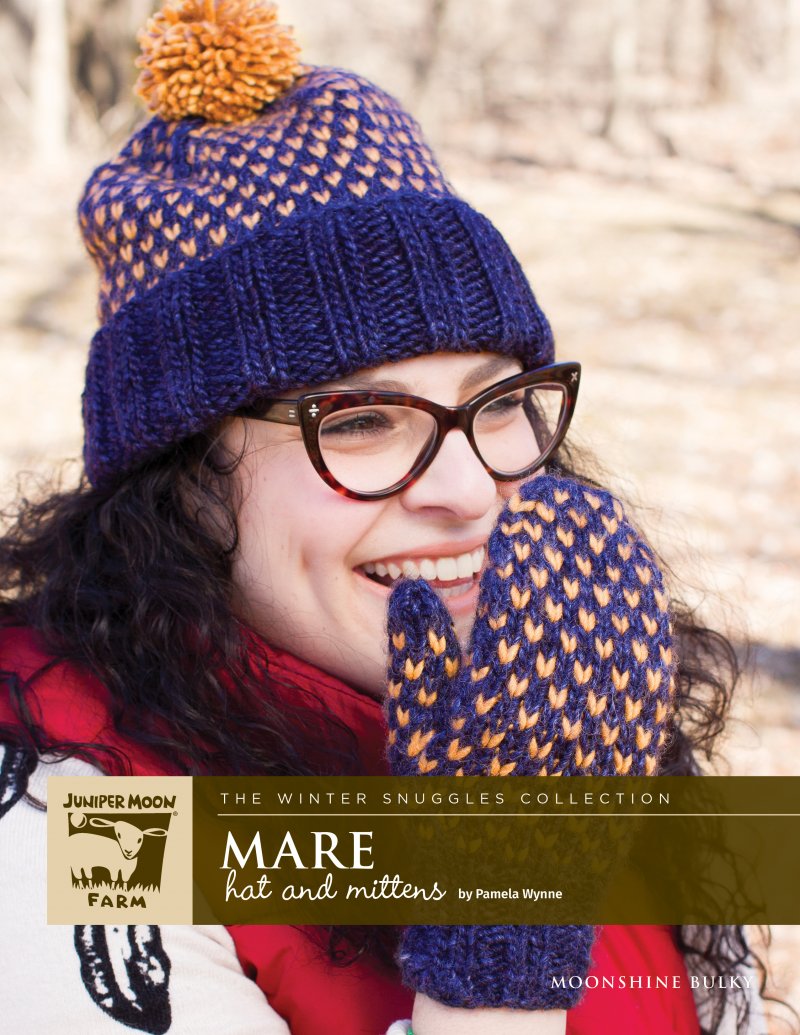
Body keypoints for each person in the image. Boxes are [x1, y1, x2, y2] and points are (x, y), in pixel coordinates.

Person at [0, 0, 767, 1032]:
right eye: (360, 420)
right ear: (177, 480)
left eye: (496, 401)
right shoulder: (77, 816)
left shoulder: (573, 694)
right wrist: (497, 943)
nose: (468, 490)